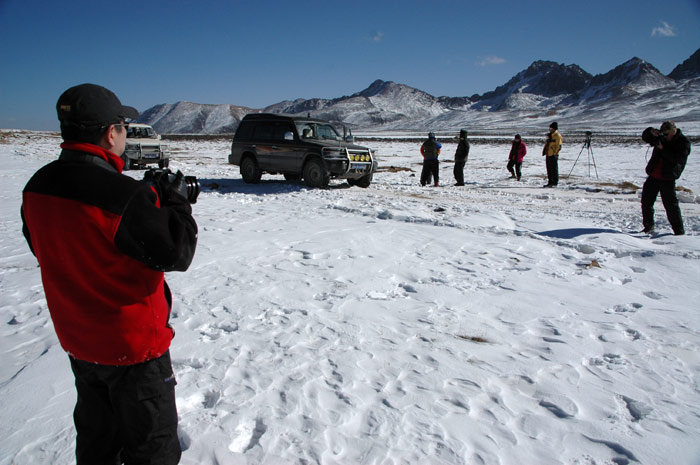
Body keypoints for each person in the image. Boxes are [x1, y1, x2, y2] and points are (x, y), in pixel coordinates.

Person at [21, 83, 198, 464]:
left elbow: (44, 246)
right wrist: (177, 204)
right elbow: (177, 252)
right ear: (109, 132)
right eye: (122, 125)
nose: (124, 132)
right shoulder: (121, 195)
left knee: (98, 444)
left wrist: (147, 197)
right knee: (152, 450)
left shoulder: (36, 187)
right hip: (133, 349)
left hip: (80, 343)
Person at [641, 121, 691, 235]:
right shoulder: (662, 137)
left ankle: (679, 231)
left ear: (674, 131)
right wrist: (650, 131)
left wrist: (663, 149)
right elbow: (646, 137)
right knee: (646, 202)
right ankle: (648, 227)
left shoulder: (683, 142)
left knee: (671, 206)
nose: (665, 135)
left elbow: (678, 159)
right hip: (654, 175)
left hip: (668, 178)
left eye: (667, 133)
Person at [542, 121, 562, 187]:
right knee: (549, 169)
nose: (550, 129)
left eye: (551, 128)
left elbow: (559, 146)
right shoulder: (550, 136)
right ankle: (550, 182)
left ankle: (554, 182)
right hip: (548, 153)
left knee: (554, 169)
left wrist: (555, 153)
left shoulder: (557, 136)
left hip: (553, 155)